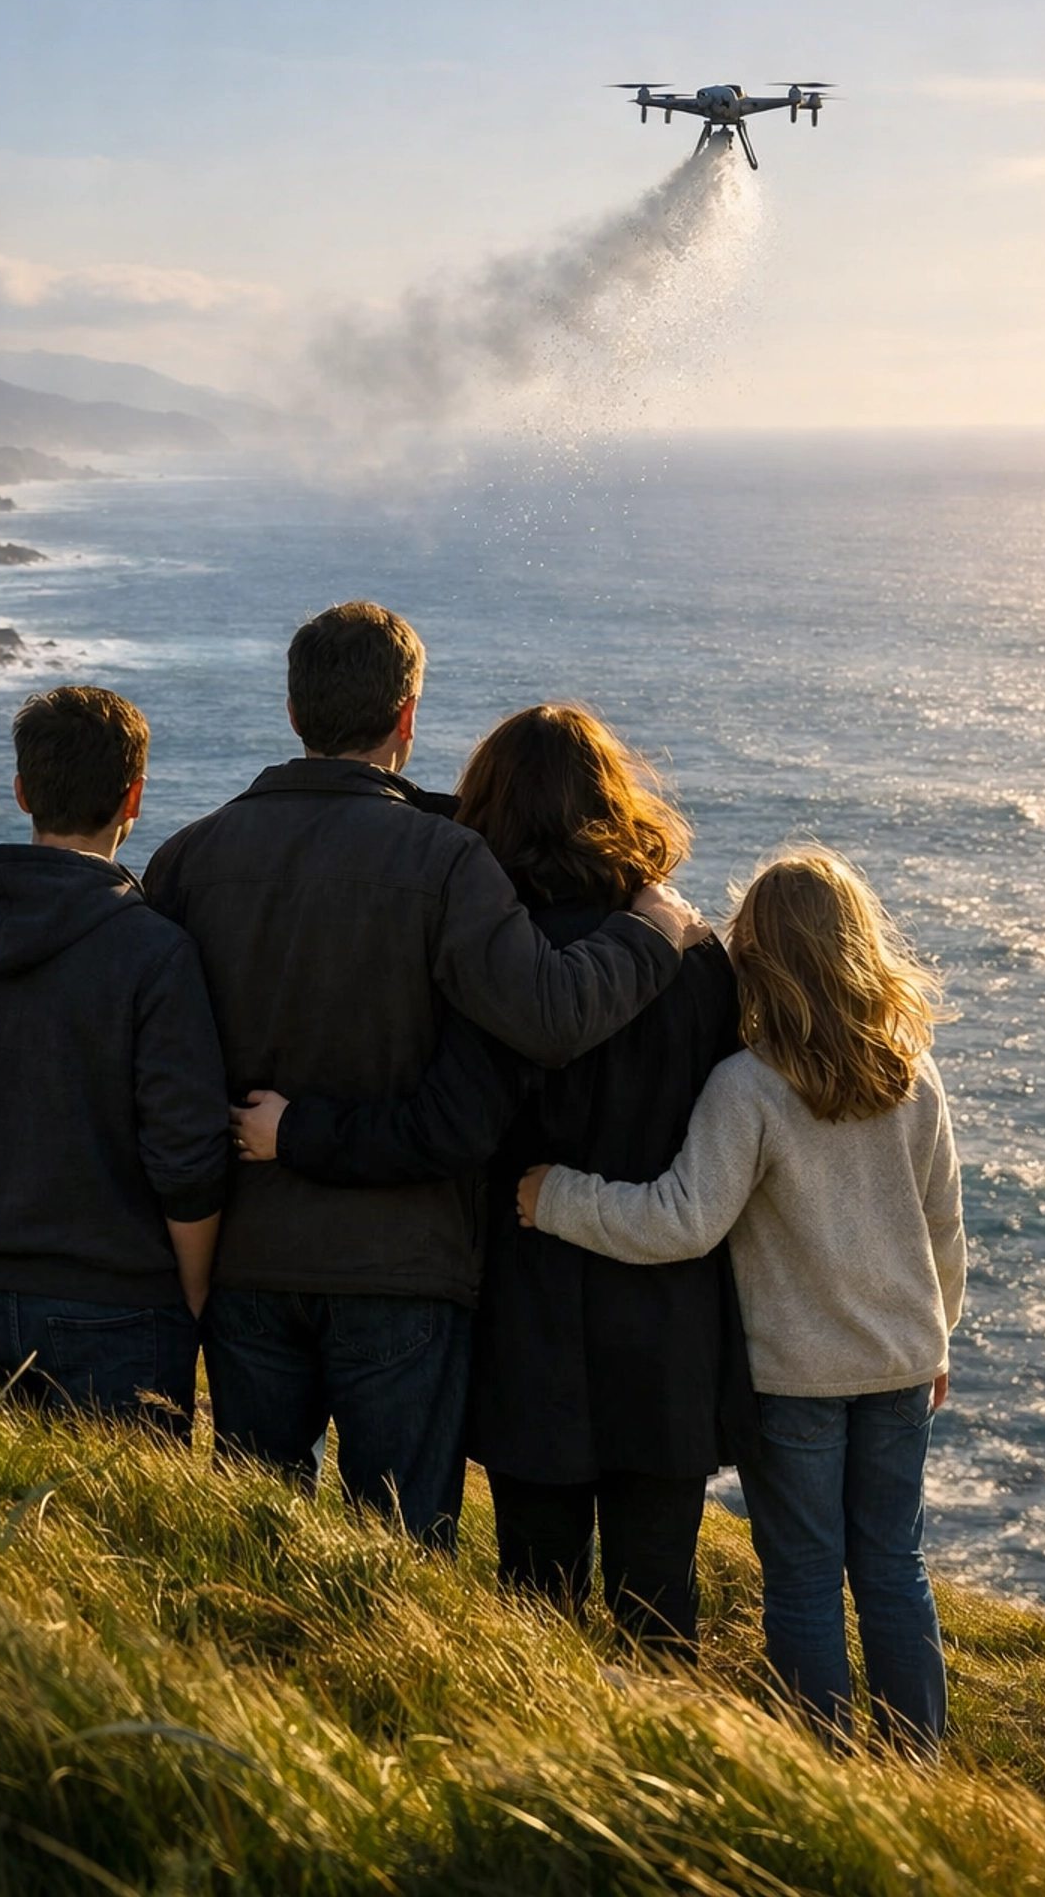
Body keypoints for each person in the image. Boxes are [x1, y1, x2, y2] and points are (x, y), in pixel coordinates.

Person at [141, 605, 700, 1549]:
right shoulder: (449, 864)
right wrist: (654, 931)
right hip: (400, 1270)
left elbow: (152, 1072)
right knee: (401, 1566)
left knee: (245, 1549)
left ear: (292, 711)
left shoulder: (187, 859)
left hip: (245, 1263)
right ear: (407, 717)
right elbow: (552, 1016)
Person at [233, 703, 756, 1652]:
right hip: (670, 1329)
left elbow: (445, 1128)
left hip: (532, 1324)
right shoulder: (698, 958)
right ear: (617, 802)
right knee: (659, 1617)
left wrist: (302, 1131)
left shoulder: (493, 960)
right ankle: (666, 1795)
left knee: (535, 1617)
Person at [519, 846, 965, 1755]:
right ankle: (918, 1771)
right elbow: (944, 1230)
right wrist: (938, 1337)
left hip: (796, 1378)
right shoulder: (911, 1076)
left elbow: (681, 1221)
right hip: (900, 1365)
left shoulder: (750, 1087)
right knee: (893, 1567)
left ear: (758, 956)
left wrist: (554, 1197)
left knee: (803, 1578)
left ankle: (825, 1772)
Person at [0, 686, 229, 1434]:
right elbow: (185, 1155)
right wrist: (192, 1291)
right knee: (116, 1547)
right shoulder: (155, 950)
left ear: (23, 791)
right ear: (134, 798)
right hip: (123, 1306)